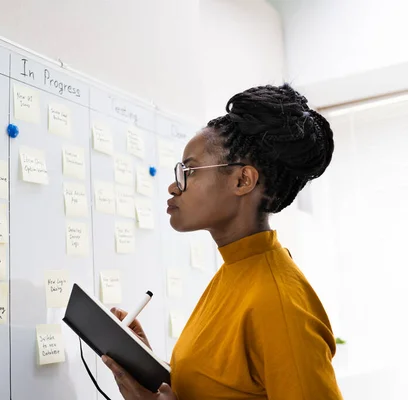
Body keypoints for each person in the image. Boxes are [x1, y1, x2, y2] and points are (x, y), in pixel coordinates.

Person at [102, 83, 343, 399]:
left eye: (189, 170)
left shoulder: (280, 304)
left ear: (242, 180)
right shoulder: (235, 271)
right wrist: (147, 365)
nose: (174, 187)